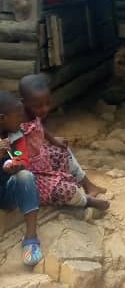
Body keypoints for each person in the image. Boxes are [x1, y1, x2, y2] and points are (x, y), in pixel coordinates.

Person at [19, 74, 109, 212]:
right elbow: (15, 150)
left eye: (48, 103)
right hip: (32, 173)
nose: (44, 109)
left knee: (62, 150)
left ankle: (88, 185)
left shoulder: (33, 114)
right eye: (38, 106)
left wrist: (54, 141)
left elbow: (40, 127)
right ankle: (86, 201)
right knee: (65, 190)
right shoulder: (16, 121)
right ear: (23, 102)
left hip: (42, 160)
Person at [0, 91, 43, 266]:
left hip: (7, 193)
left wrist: (18, 165)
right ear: (2, 118)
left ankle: (31, 237)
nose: (21, 120)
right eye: (17, 116)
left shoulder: (16, 136)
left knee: (25, 176)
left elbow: (22, 158)